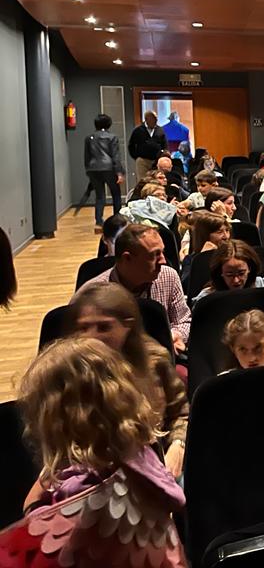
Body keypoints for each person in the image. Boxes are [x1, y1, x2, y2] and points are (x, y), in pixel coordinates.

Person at [2, 338, 186, 567]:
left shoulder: (75, 489)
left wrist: (34, 507)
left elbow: (40, 541)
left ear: (51, 422)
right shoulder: (142, 457)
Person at [67, 283, 189, 477]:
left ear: (127, 325)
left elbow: (180, 414)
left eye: (104, 327)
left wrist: (178, 445)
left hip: (156, 463)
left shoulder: (155, 360)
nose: (91, 338)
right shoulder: (69, 370)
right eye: (83, 328)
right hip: (94, 470)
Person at [76, 224, 190, 352]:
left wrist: (176, 335)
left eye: (162, 252)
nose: (163, 261)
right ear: (127, 258)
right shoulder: (91, 295)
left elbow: (183, 321)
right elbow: (78, 345)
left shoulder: (169, 276)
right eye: (154, 255)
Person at [193, 239, 264, 302]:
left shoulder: (262, 286)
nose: (236, 280)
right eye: (229, 275)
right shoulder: (207, 298)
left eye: (241, 273)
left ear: (250, 269)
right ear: (220, 272)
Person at [84, 113, 125, 232]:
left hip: (93, 169)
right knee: (116, 194)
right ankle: (117, 219)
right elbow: (115, 156)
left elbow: (87, 156)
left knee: (99, 196)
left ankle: (99, 221)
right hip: (109, 168)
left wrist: (88, 170)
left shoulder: (89, 137)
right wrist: (119, 172)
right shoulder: (112, 137)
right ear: (109, 124)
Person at [127, 110, 168, 182]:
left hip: (156, 160)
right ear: (146, 119)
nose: (156, 120)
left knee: (157, 180)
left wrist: (163, 155)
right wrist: (136, 157)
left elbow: (165, 145)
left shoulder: (160, 130)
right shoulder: (138, 130)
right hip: (143, 160)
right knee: (142, 181)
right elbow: (131, 146)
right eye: (153, 118)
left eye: (156, 119)